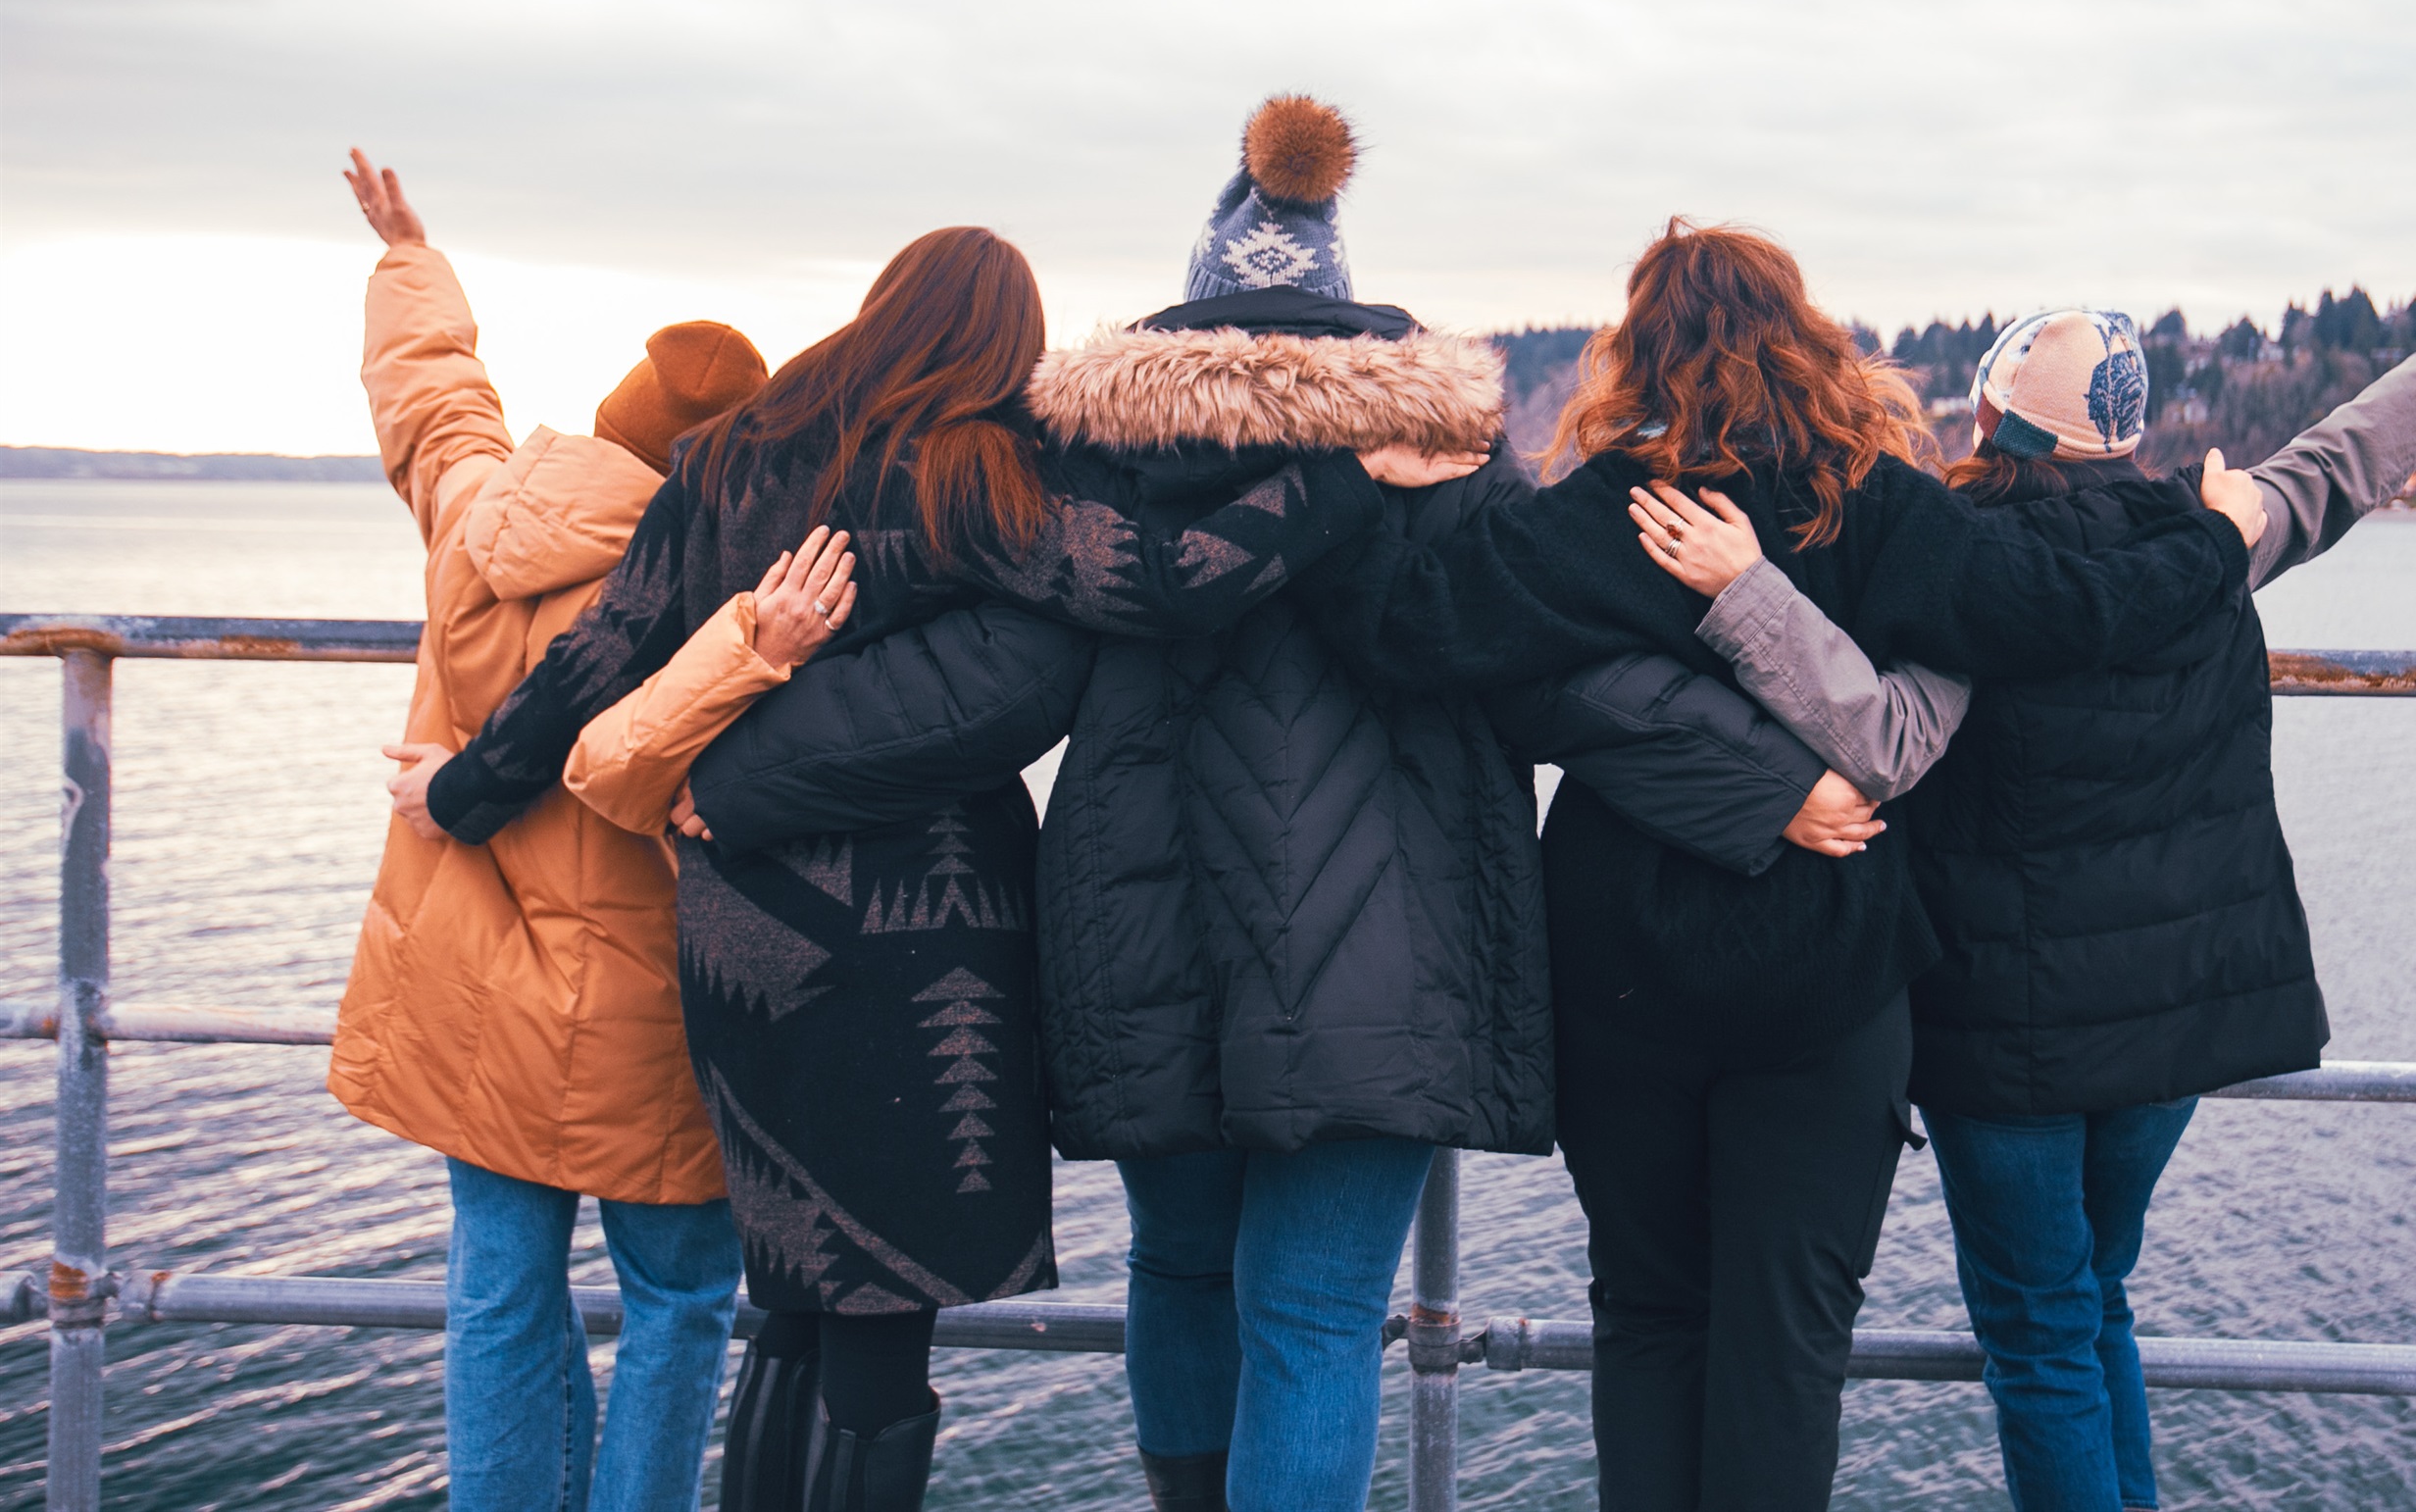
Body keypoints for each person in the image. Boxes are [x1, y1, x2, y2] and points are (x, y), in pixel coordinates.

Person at [677, 98, 1869, 1512]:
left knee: (1180, 1270)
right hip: (1396, 944)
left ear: (1189, 311)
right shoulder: (1442, 459)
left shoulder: (1098, 464)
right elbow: (1564, 681)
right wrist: (1765, 786)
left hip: (1143, 933)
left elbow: (991, 684)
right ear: (1351, 308)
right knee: (1313, 1314)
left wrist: (726, 776)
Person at [395, 175, 1509, 1512]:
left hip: (739, 927)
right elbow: (1161, 583)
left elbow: (598, 653)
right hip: (917, 939)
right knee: (883, 1320)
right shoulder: (971, 477)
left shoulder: (718, 461)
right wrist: (1341, 481)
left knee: (795, 1299)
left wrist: (467, 790)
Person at [1281, 219, 2275, 1512]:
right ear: (1806, 342)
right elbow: (2071, 612)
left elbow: (1402, 628)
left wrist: (1362, 478)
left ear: (1636, 353)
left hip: (1621, 980)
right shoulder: (1883, 510)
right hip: (1825, 981)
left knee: (1648, 1313)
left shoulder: (1605, 512)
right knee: (1786, 1345)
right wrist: (2215, 538)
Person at [1632, 271, 2416, 1512]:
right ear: (2125, 434)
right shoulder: (2210, 535)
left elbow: (1862, 712)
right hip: (2172, 1020)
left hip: (2003, 1029)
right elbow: (2344, 459)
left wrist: (1735, 581)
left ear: (1991, 419)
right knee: (2092, 1297)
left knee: (2038, 1330)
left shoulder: (1947, 563)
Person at [325, 149, 764, 1512]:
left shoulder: (482, 515)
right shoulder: (721, 592)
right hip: (651, 1008)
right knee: (680, 1297)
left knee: (500, 1288)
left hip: (477, 993)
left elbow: (433, 402)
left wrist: (409, 259)